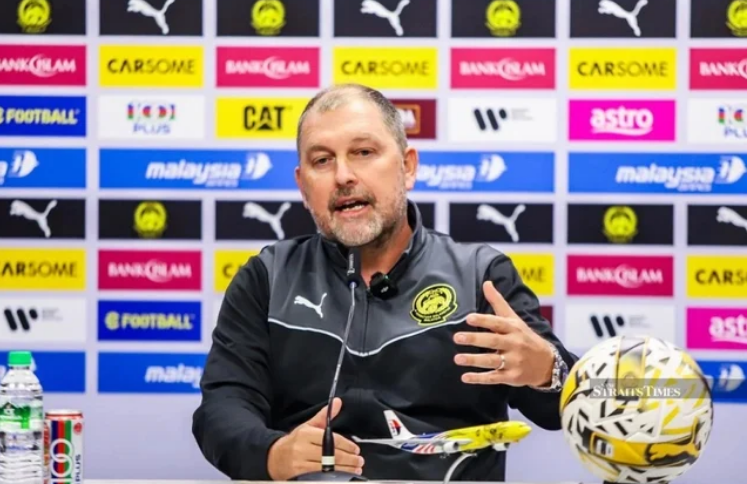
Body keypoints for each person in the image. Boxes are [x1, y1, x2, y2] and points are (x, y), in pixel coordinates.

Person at [192, 83, 579, 481]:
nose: (343, 176)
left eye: (363, 152)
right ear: (303, 186)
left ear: (407, 167)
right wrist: (273, 453)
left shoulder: (480, 277)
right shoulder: (268, 277)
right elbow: (221, 409)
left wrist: (548, 370)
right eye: (322, 160)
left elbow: (564, 409)